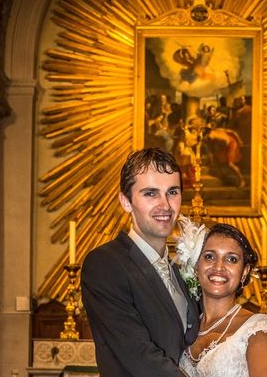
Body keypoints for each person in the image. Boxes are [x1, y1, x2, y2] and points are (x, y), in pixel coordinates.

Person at [81, 147, 200, 376]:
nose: (165, 205)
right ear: (125, 201)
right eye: (150, 193)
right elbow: (138, 355)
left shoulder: (180, 271)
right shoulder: (105, 265)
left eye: (172, 192)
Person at [179, 223, 267, 376]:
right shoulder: (183, 326)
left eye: (231, 259)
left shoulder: (258, 330)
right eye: (209, 256)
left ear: (245, 272)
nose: (218, 266)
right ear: (196, 267)